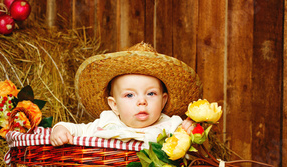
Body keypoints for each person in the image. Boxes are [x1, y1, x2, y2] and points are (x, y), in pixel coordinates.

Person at [50, 42, 203, 147]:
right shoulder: (107, 123)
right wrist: (60, 129)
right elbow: (77, 130)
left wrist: (191, 132)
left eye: (151, 93)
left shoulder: (171, 126)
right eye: (130, 95)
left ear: (163, 101)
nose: (142, 101)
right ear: (114, 105)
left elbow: (191, 151)